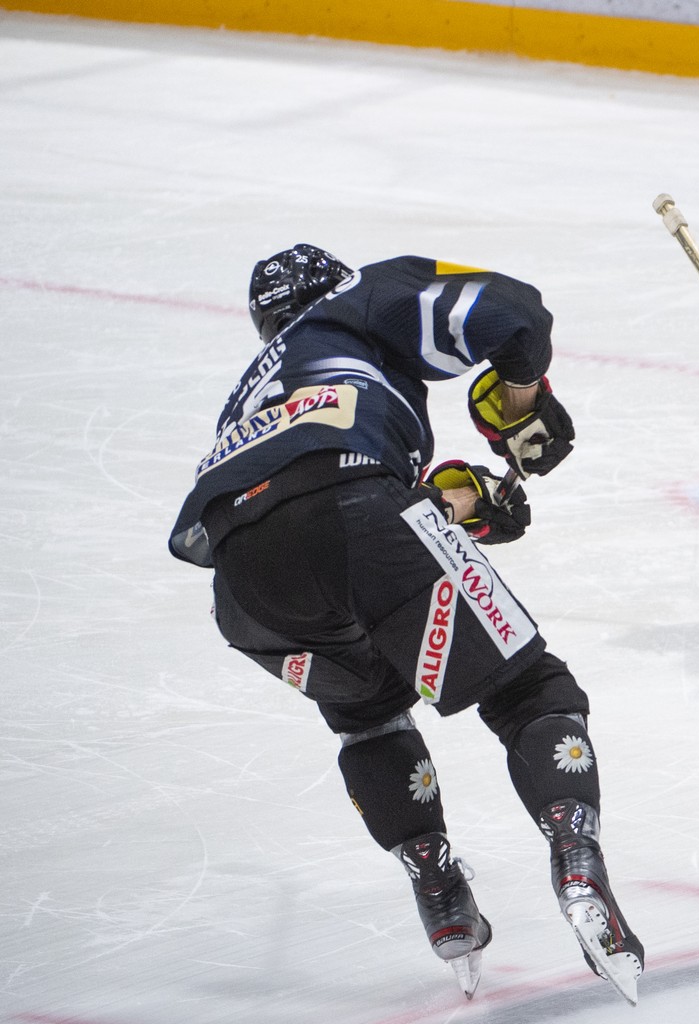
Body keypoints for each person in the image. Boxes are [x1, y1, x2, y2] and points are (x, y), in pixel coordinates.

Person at [168, 245, 644, 1001]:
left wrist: (462, 504)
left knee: (369, 712)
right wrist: (518, 405)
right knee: (529, 691)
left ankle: (439, 886)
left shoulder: (255, 390)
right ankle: (577, 858)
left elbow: (309, 496)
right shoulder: (356, 305)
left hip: (247, 586)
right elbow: (514, 312)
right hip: (356, 513)